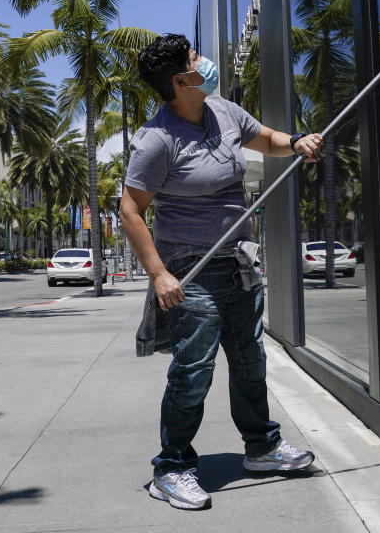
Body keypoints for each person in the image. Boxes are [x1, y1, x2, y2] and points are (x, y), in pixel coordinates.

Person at [120, 34, 323, 510]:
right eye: (194, 59)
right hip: (191, 267)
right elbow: (130, 211)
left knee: (250, 361)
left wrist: (295, 142)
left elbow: (267, 139)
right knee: (193, 371)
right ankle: (171, 468)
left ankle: (263, 448)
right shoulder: (157, 140)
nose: (203, 61)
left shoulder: (224, 111)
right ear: (181, 79)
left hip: (239, 261)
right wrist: (158, 276)